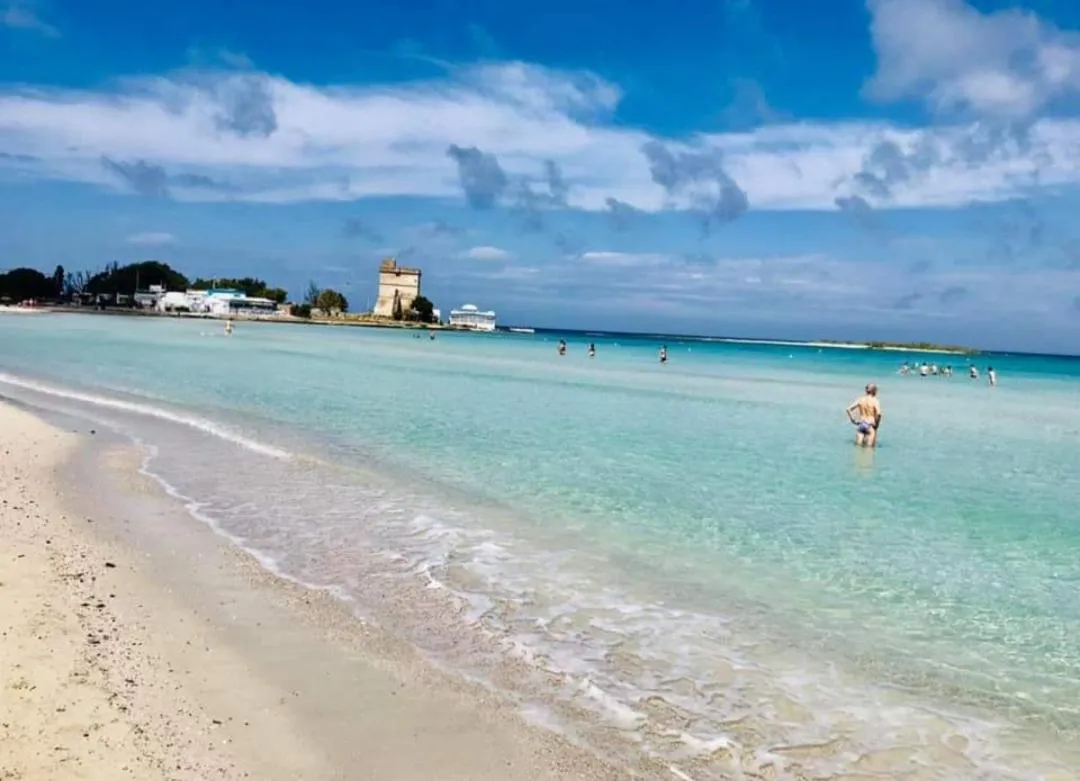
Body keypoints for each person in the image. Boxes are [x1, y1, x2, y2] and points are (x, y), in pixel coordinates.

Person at [846, 383, 882, 448]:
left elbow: (848, 409)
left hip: (861, 425)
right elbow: (879, 414)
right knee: (869, 449)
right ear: (874, 391)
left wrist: (853, 420)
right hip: (870, 425)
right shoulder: (875, 400)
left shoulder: (860, 399)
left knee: (858, 448)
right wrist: (877, 424)